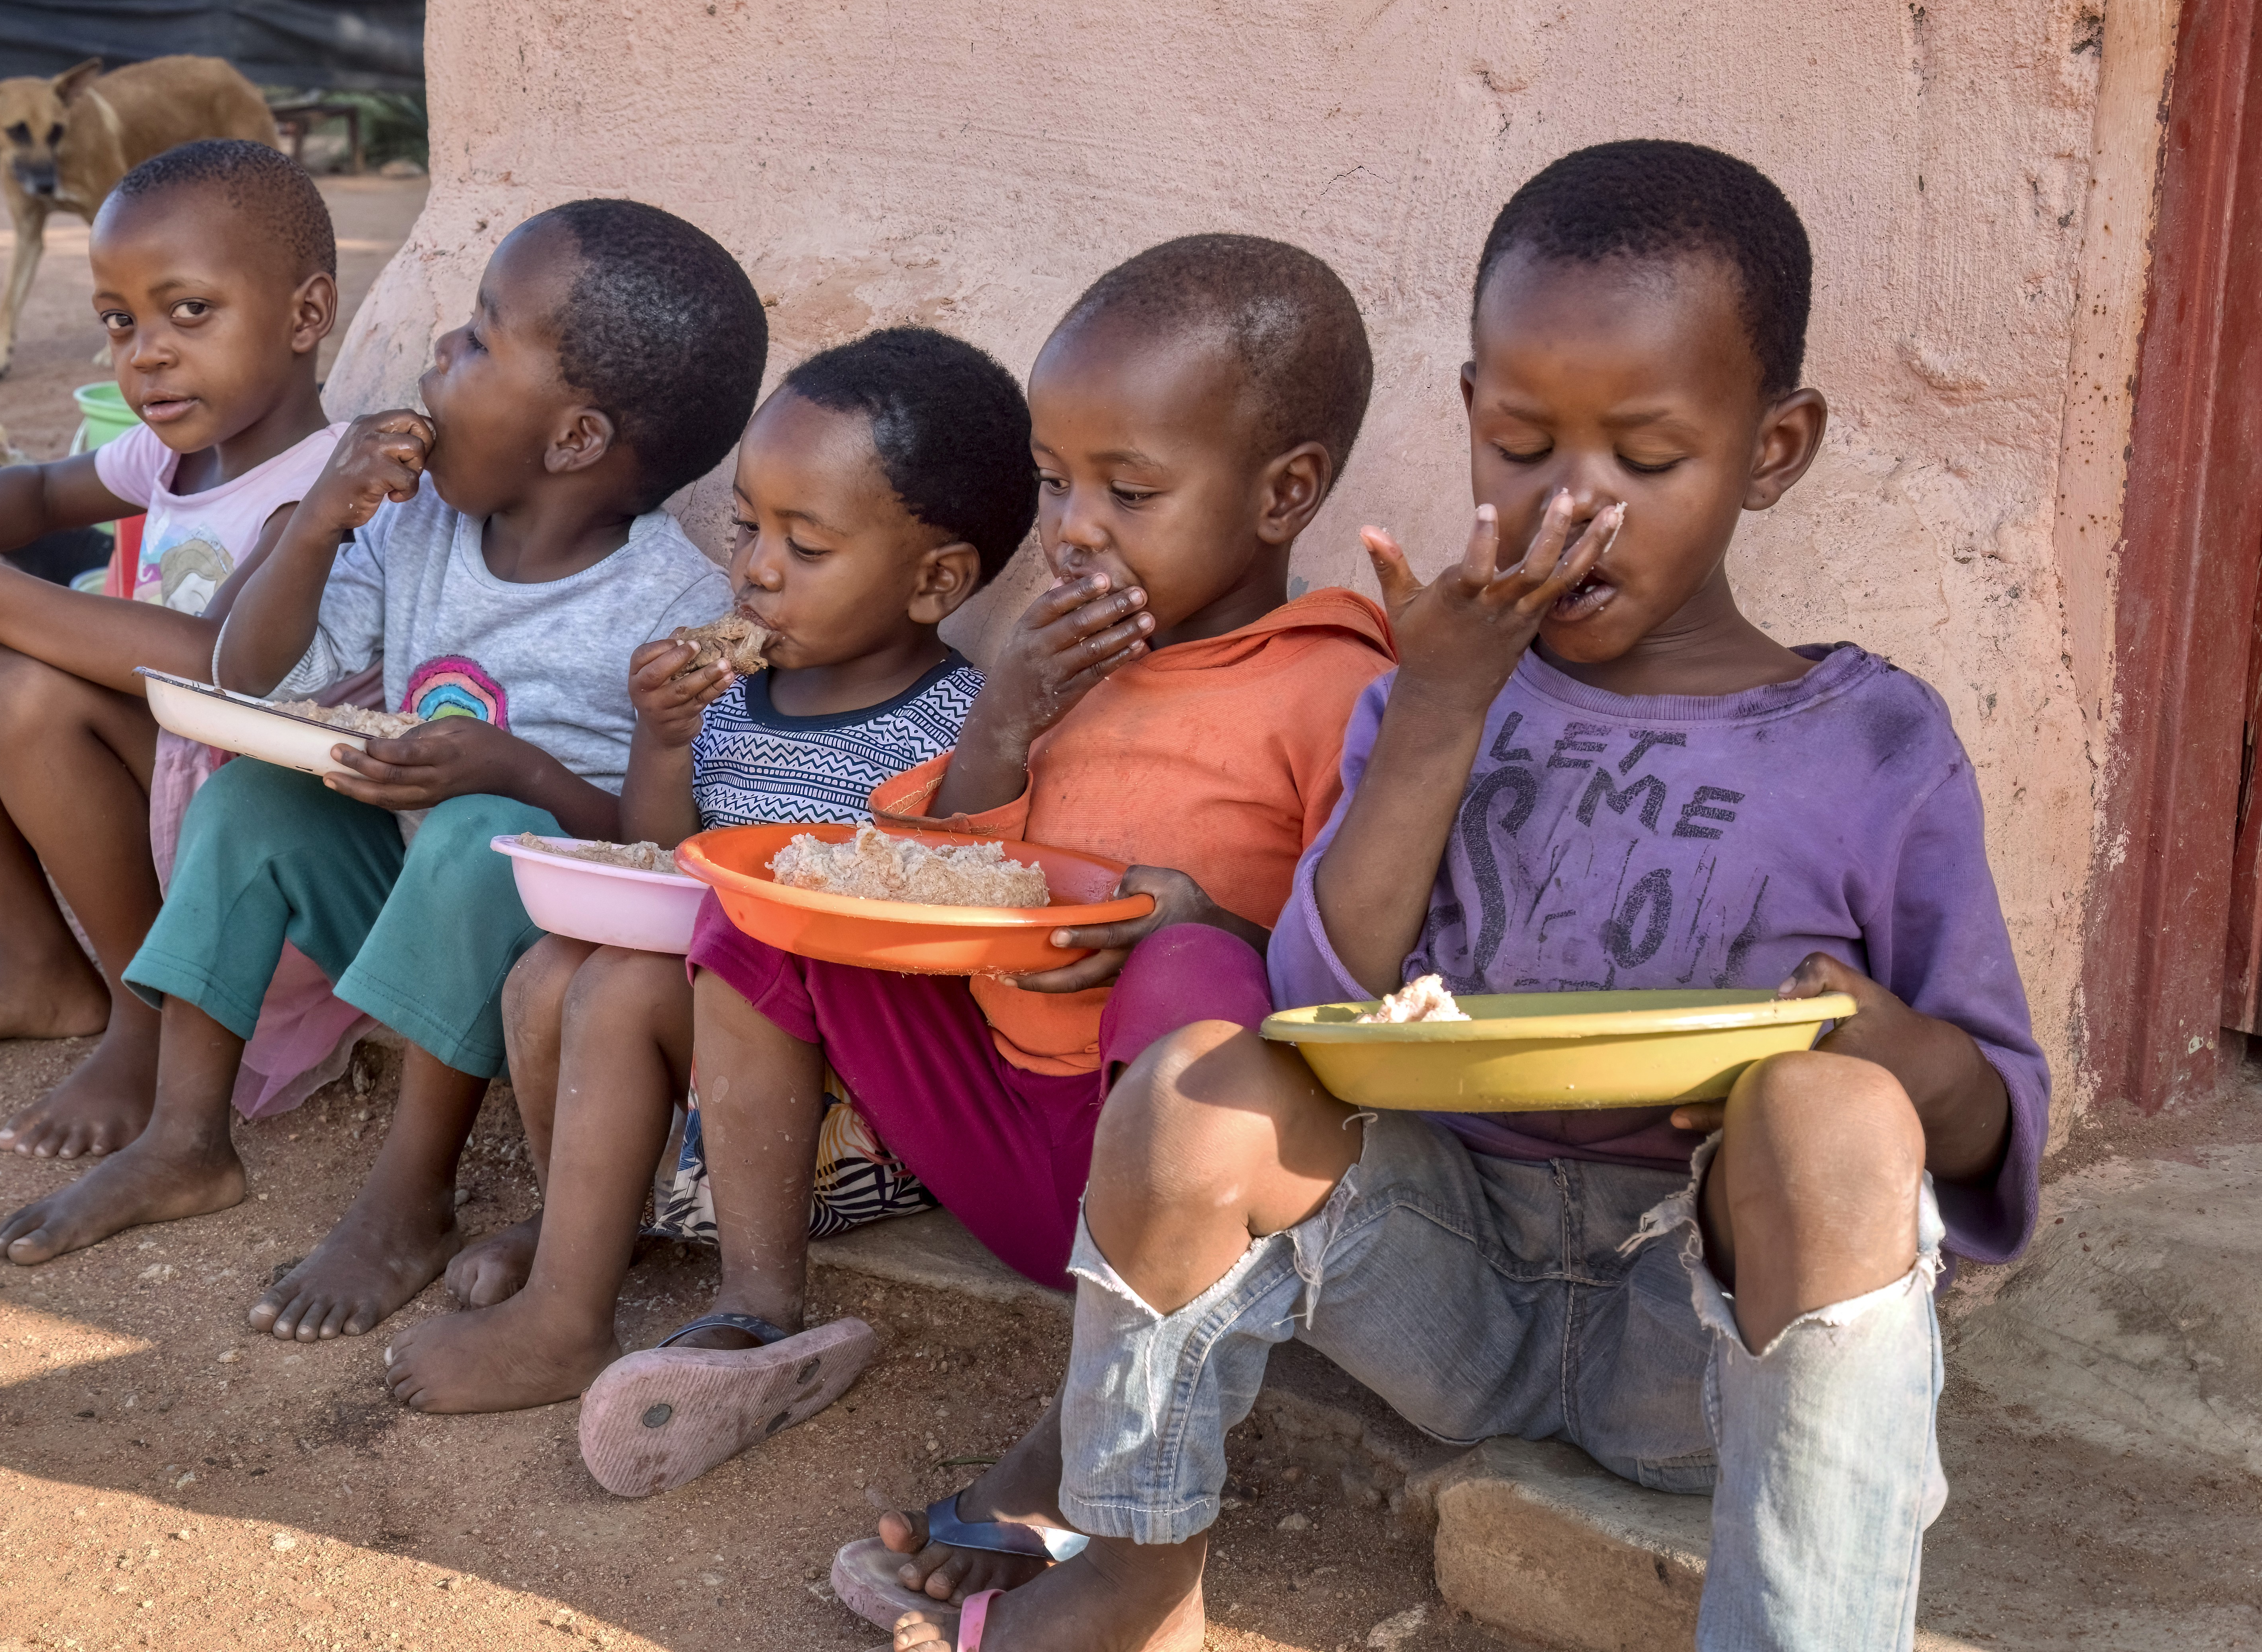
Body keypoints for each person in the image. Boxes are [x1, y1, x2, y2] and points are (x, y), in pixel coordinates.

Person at [862, 141, 2051, 1652]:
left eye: (1649, 457)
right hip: (1441, 1280)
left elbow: (1993, 1119)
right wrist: (1434, 718)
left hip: (1693, 1329)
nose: (1579, 506)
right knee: (1192, 1091)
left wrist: (1892, 1053)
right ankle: (1133, 1578)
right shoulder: (1425, 688)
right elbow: (1314, 999)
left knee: (1836, 1122)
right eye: (1521, 446)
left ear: (1775, 447)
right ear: (1470, 419)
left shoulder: (1877, 743)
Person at [569, 235, 1402, 1501]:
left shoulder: (1337, 685)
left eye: (1129, 492)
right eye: (1056, 483)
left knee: (1181, 956)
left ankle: (1094, 1431)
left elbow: (1367, 973)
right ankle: (759, 1314)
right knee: (785, 907)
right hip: (1008, 1155)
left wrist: (1214, 925)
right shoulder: (1051, 660)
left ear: (1284, 494)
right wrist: (1005, 716)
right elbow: (925, 877)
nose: (1072, 534)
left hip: (1183, 1185)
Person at [0, 199, 769, 1283]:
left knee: (477, 831)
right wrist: (316, 521)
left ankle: (412, 1194)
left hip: (526, 970)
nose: (442, 350)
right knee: (252, 794)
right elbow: (247, 675)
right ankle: (185, 1136)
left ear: (575, 438)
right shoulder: (413, 524)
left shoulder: (668, 609)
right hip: (385, 907)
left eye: (483, 340)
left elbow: (660, 857)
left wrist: (517, 771)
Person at [364, 327, 1037, 1405]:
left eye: (805, 548)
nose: (757, 569)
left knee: (625, 985)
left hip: (847, 1123)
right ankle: (596, 1220)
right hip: (700, 1086)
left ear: (935, 581)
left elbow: (947, 900)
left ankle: (608, 1317)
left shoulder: (950, 727)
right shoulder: (729, 701)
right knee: (549, 972)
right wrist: (663, 741)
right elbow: (656, 853)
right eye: (745, 527)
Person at [0, 139, 348, 1163]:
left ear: (306, 315)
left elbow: (222, 665)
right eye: (120, 322)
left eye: (188, 312)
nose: (146, 353)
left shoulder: (320, 491)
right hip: (158, 776)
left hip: (256, 843)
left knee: (23, 688)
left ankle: (148, 1008)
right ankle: (37, 967)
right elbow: (27, 492)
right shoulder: (176, 450)